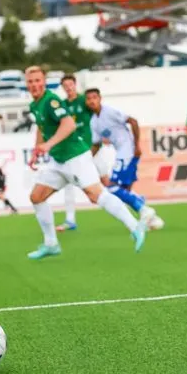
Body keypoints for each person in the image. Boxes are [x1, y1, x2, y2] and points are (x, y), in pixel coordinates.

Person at [23, 65, 147, 260]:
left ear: (44, 81)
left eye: (38, 80)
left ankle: (135, 226)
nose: (34, 85)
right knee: (37, 196)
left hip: (76, 158)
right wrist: (37, 149)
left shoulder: (51, 100)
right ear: (26, 84)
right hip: (59, 161)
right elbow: (41, 127)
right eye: (30, 82)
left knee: (96, 194)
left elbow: (69, 124)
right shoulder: (35, 105)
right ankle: (51, 244)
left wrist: (48, 144)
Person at [86, 88, 162, 230]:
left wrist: (137, 145)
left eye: (94, 97)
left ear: (100, 98)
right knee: (124, 190)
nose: (92, 101)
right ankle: (150, 217)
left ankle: (144, 209)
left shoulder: (109, 111)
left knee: (112, 187)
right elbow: (97, 144)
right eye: (89, 98)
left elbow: (133, 121)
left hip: (127, 152)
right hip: (122, 152)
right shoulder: (94, 122)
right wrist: (85, 160)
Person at [57, 74, 92, 232]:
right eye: (65, 86)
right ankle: (70, 219)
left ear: (75, 84)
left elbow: (97, 114)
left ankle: (136, 204)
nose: (68, 88)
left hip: (90, 148)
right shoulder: (62, 105)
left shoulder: (85, 100)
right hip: (73, 150)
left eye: (70, 84)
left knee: (105, 182)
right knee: (69, 184)